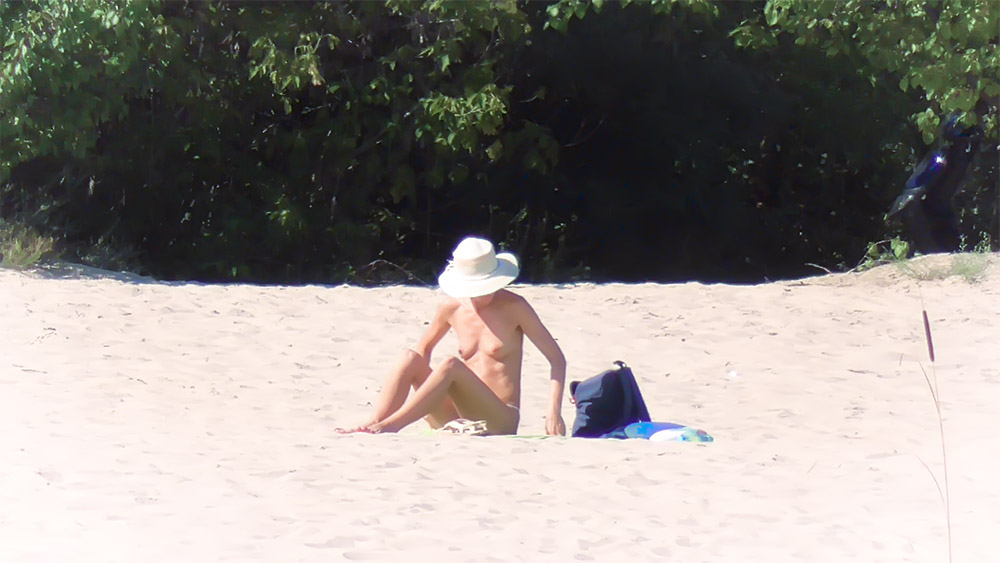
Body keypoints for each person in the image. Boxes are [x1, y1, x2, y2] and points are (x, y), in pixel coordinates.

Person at [336, 236, 567, 436]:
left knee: (450, 364)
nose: (477, 297)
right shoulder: (452, 308)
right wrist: (426, 398)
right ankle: (375, 421)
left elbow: (556, 359)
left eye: (484, 289)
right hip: (457, 415)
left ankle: (391, 426)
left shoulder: (515, 307)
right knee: (408, 357)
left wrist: (553, 412)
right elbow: (423, 351)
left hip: (499, 418)